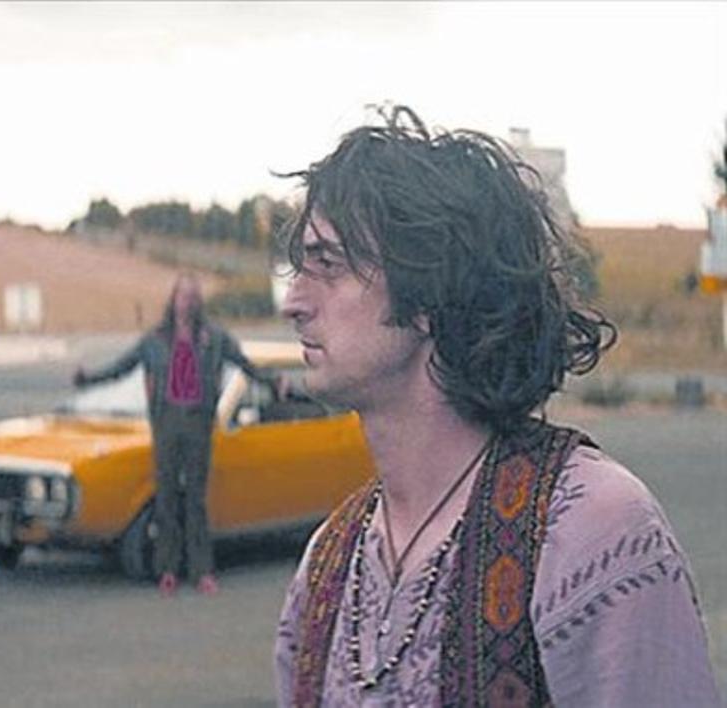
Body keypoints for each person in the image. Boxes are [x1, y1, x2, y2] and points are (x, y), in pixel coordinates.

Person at [272, 106, 720, 706]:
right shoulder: (328, 563)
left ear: (428, 288)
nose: (294, 302)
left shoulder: (591, 532)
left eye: (328, 263)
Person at [74, 273, 280, 597]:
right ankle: (167, 569)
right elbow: (121, 367)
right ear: (173, 300)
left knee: (196, 500)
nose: (188, 302)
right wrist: (88, 379)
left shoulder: (214, 337)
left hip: (198, 422)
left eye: (193, 296)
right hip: (167, 422)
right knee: (166, 497)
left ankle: (202, 570)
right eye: (183, 296)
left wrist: (273, 382)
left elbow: (245, 364)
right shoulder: (155, 340)